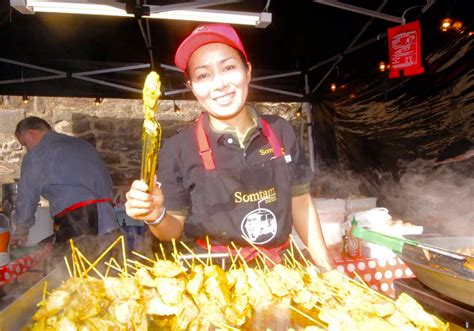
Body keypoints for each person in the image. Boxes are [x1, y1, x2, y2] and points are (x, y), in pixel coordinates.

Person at [125, 23, 332, 270]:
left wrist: (326, 270)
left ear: (248, 71)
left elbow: (302, 206)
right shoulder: (177, 149)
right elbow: (171, 231)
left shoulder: (281, 131)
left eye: (229, 67)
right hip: (215, 277)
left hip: (281, 270)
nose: (220, 84)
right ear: (192, 87)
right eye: (203, 75)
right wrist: (155, 215)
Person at [11, 116, 118, 246]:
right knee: (103, 263)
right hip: (108, 217)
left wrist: (21, 230)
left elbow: (27, 195)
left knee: (73, 263)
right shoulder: (83, 145)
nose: (27, 149)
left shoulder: (38, 153)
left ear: (31, 133)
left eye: (25, 144)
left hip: (76, 218)